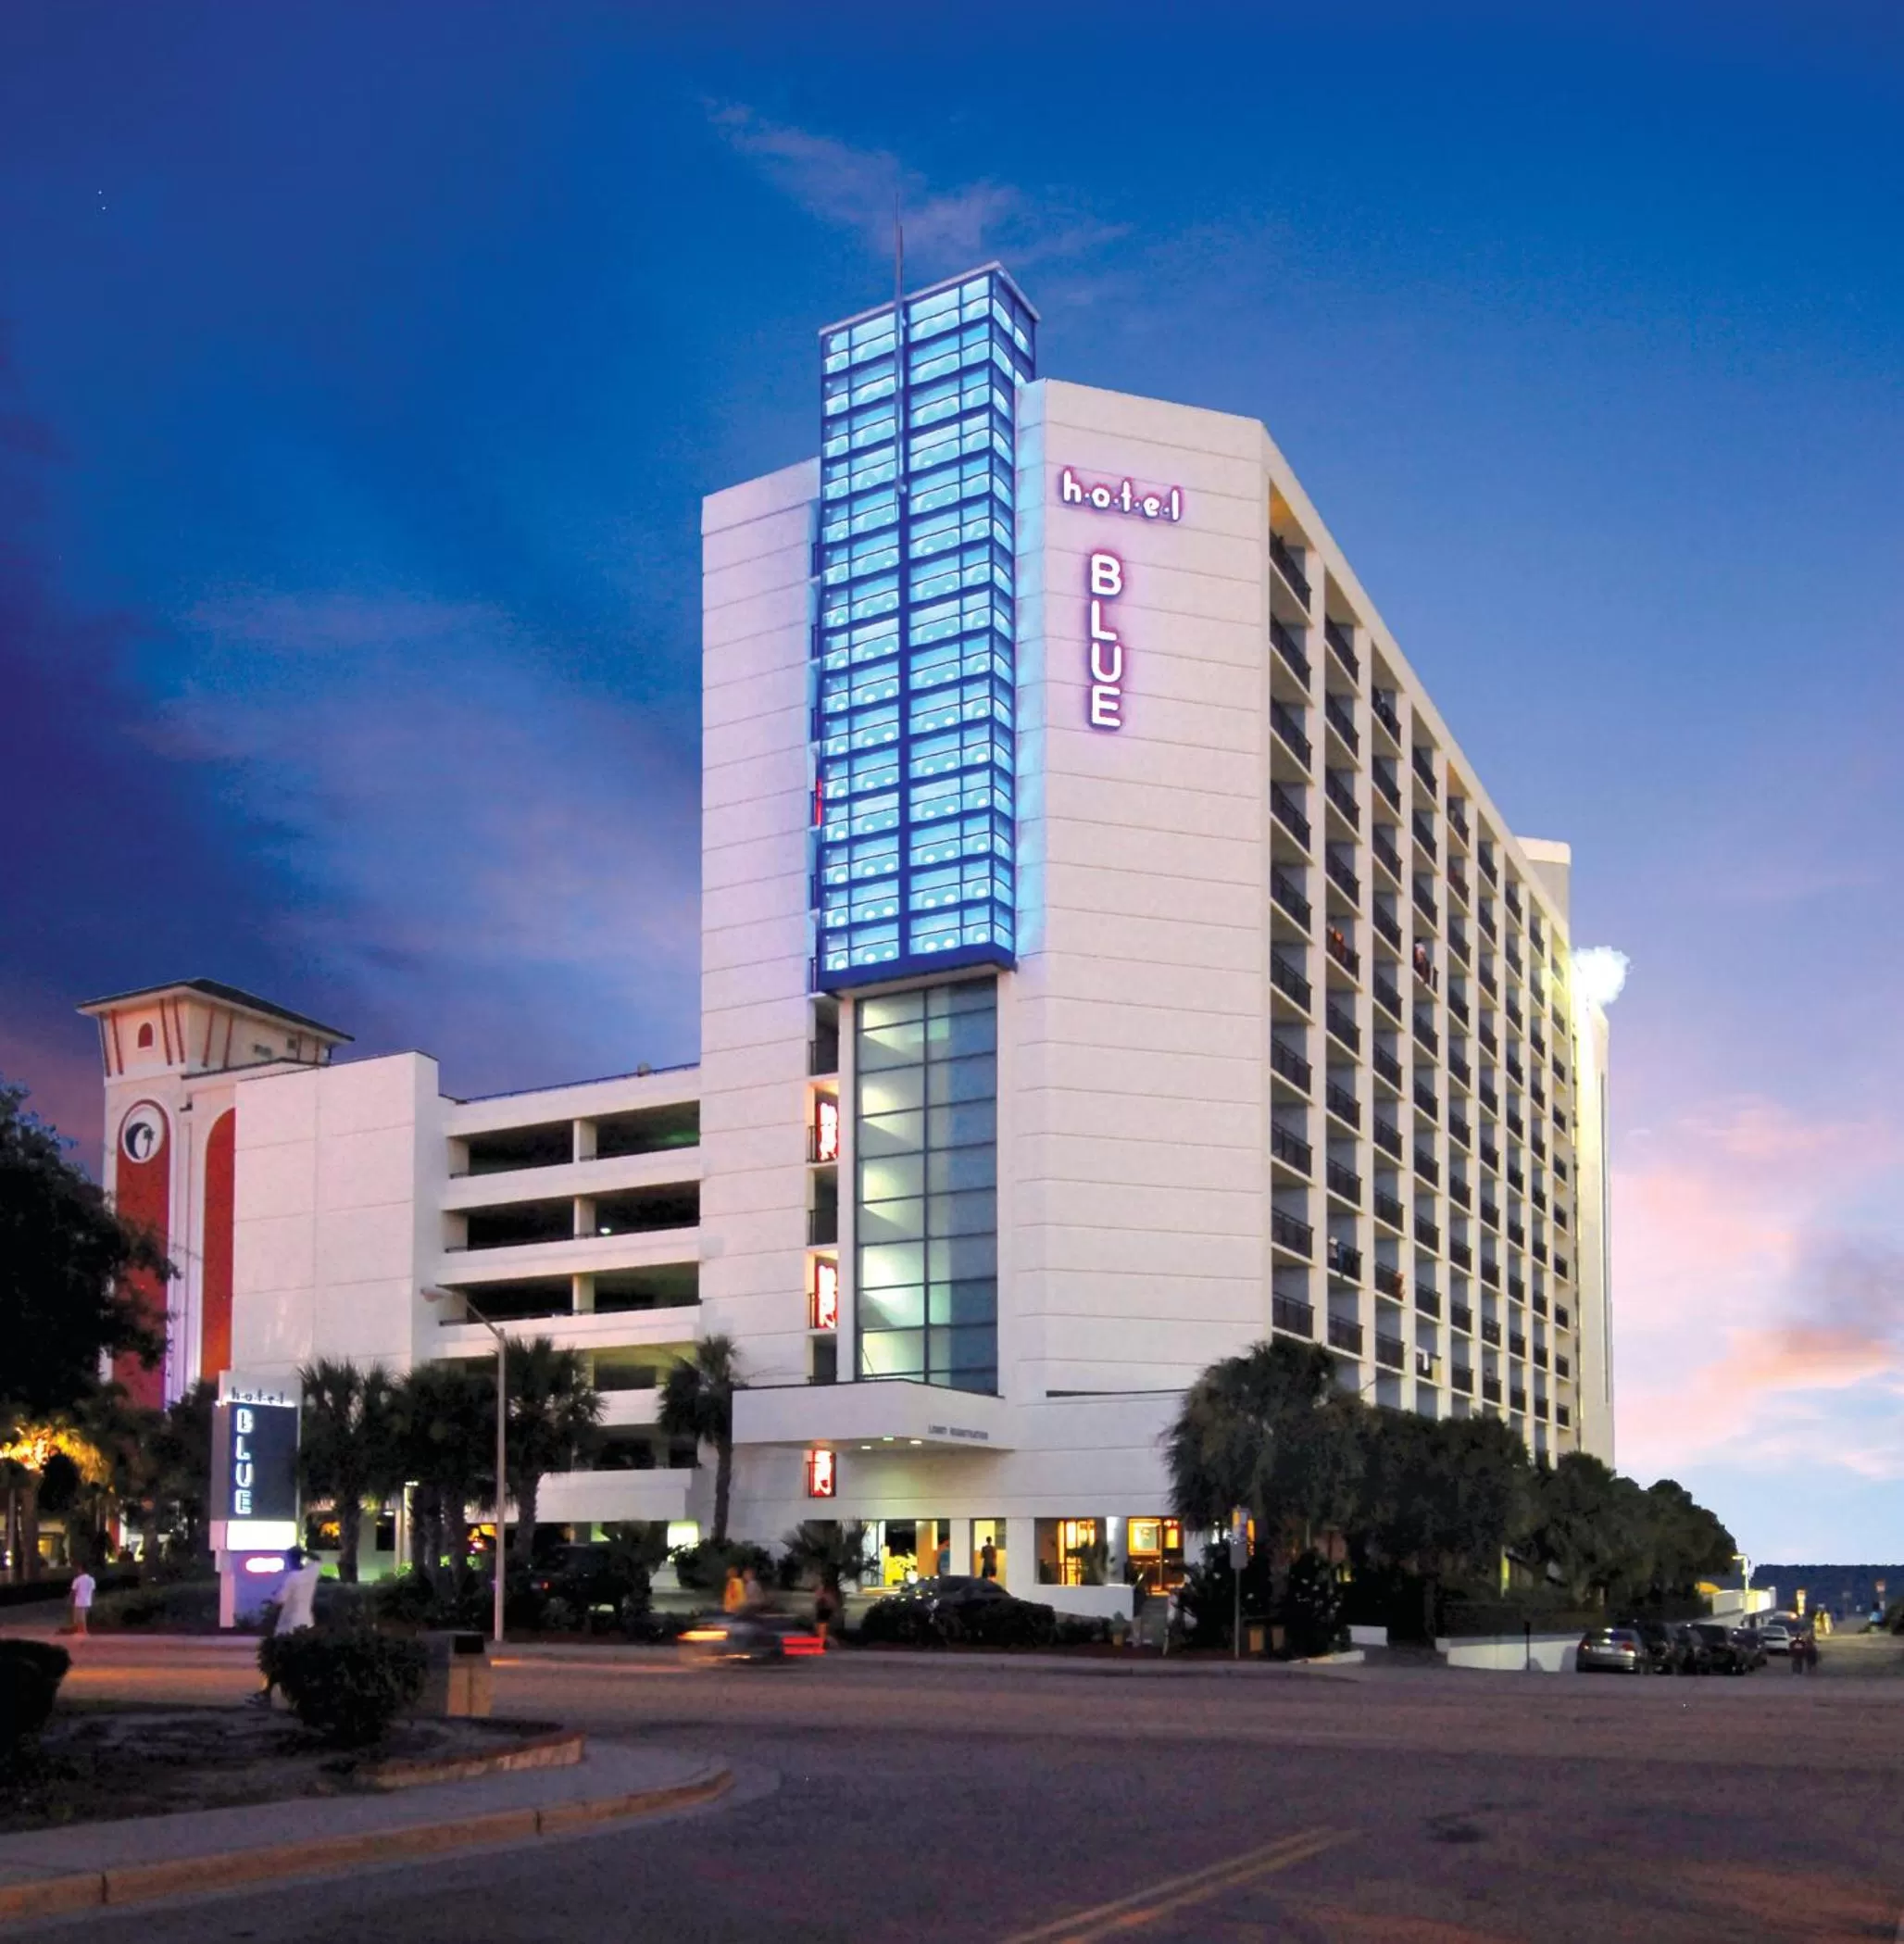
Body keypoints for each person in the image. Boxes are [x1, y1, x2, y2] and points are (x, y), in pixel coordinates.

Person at [253, 1548, 321, 1708]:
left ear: (290, 1559)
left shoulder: (291, 1578)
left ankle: (266, 1694)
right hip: (307, 1623)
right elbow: (318, 1559)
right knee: (301, 1662)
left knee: (276, 1660)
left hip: (288, 1626)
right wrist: (305, 1552)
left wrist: (273, 1596)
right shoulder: (310, 1574)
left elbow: (279, 1600)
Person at [69, 1565, 95, 1637]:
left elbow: (73, 1591)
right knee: (83, 1617)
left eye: (79, 1569)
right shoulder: (91, 1579)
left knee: (80, 1618)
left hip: (79, 1601)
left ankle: (83, 1632)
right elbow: (92, 1592)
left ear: (81, 1570)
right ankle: (81, 1632)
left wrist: (72, 1600)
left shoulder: (77, 1580)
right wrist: (92, 1601)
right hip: (88, 1601)